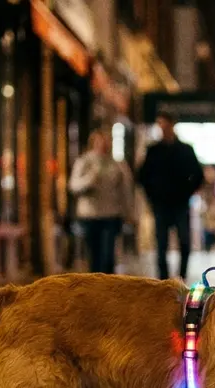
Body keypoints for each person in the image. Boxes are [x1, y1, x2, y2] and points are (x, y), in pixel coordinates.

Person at [137, 112, 204, 280]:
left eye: (165, 124)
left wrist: (187, 192)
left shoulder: (185, 150)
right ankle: (164, 278)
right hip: (160, 204)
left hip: (180, 203)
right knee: (161, 244)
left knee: (184, 242)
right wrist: (152, 196)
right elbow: (142, 176)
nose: (163, 128)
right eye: (160, 125)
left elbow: (198, 175)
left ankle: (181, 275)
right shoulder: (153, 151)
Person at [69, 131, 133, 274]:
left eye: (106, 142)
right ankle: (96, 285)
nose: (103, 146)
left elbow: (125, 190)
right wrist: (90, 179)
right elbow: (74, 185)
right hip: (90, 215)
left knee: (108, 255)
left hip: (111, 214)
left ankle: (108, 285)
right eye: (99, 142)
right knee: (94, 255)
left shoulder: (117, 164)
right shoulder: (84, 161)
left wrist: (129, 212)